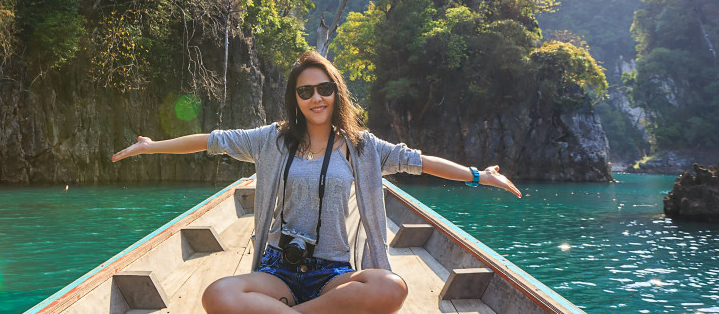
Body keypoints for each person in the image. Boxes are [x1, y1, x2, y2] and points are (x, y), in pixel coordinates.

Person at [111, 50, 521, 314]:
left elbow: (420, 162)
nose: (316, 98)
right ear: (296, 98)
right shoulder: (272, 140)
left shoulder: (363, 147)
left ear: (336, 92)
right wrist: (152, 146)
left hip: (333, 275)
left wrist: (477, 175)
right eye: (305, 92)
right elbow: (211, 141)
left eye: (324, 89)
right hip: (280, 269)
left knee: (391, 287)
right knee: (216, 295)